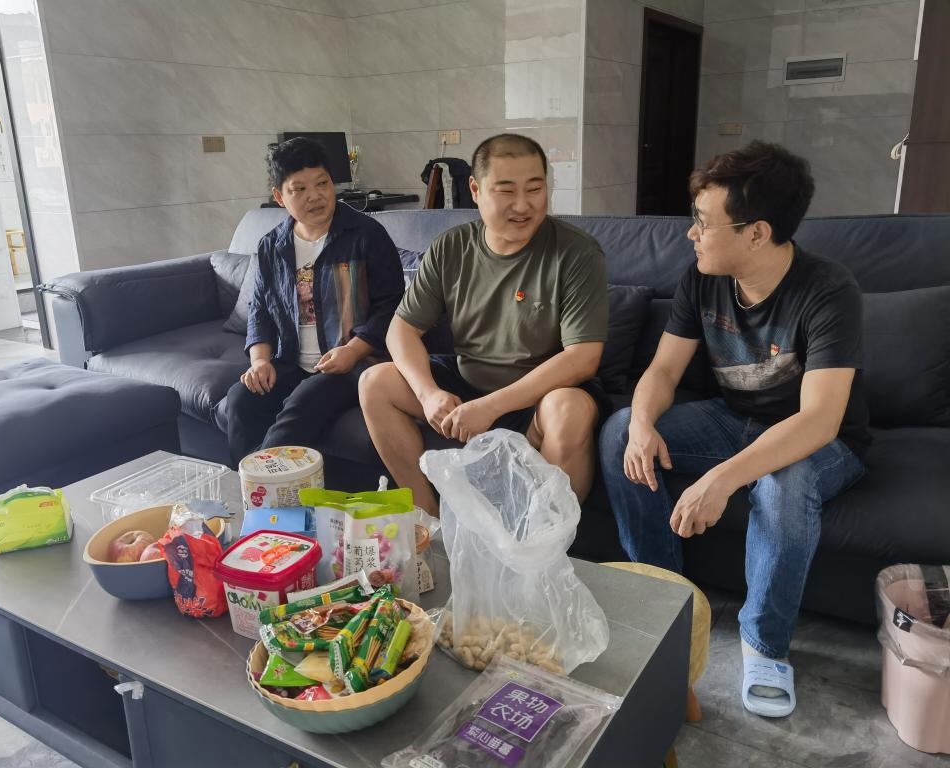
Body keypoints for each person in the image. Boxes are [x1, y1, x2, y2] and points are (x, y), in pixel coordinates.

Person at [599, 141, 870, 718]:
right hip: (734, 421)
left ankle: (764, 645)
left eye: (704, 222)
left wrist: (720, 480)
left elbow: (819, 419)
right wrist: (642, 423)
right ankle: (664, 595)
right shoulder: (703, 278)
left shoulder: (828, 290)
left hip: (822, 440)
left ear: (756, 233)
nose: (691, 234)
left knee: (783, 480)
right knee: (620, 429)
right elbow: (663, 371)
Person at [358, 133, 609, 517]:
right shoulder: (451, 247)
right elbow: (401, 330)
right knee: (375, 382)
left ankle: (548, 539)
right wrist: (429, 394)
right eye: (506, 191)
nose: (523, 205)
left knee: (569, 409)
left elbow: (583, 357)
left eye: (535, 189)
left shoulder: (576, 251)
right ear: (475, 190)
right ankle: (428, 521)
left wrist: (490, 408)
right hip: (467, 386)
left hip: (540, 396)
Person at [224, 137, 404, 464]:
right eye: (300, 189)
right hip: (291, 363)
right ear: (279, 197)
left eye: (322, 183)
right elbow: (260, 309)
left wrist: (353, 350)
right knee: (239, 401)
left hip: (354, 365)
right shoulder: (271, 246)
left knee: (302, 404)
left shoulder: (366, 235)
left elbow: (391, 307)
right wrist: (260, 361)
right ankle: (257, 484)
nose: (315, 195)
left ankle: (261, 484)